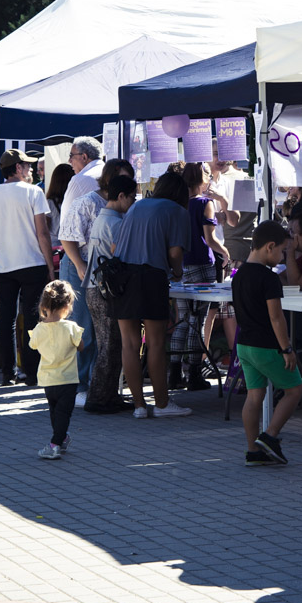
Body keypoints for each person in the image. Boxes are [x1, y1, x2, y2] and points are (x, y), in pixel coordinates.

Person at [112, 171, 192, 418]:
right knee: (156, 342)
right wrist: (177, 272)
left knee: (129, 343)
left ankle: (138, 405)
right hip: (151, 276)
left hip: (121, 276)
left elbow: (116, 245)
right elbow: (176, 253)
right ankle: (162, 404)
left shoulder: (137, 206)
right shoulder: (177, 211)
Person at [60, 154, 131, 407]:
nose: (125, 183)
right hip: (80, 264)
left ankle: (97, 384)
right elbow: (67, 236)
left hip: (107, 272)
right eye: (121, 178)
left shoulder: (126, 204)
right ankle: (79, 385)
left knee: (103, 331)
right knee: (82, 328)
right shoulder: (87, 201)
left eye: (128, 180)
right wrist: (80, 265)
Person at [234, 219, 302, 466]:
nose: (283, 257)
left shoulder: (239, 274)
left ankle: (253, 450)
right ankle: (270, 436)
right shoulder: (269, 278)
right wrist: (286, 348)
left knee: (255, 395)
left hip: (244, 345)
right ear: (270, 246)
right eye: (283, 251)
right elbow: (276, 318)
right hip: (266, 345)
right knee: (295, 389)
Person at [0, 149, 54, 386]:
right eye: (27, 165)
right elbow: (42, 233)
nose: (31, 169)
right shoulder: (34, 191)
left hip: (3, 266)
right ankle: (32, 373)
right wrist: (49, 265)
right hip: (32, 263)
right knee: (32, 318)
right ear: (17, 168)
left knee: (7, 319)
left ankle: (8, 373)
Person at [174, 161, 230, 391]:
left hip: (180, 265)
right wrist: (225, 253)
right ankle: (194, 372)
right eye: (207, 173)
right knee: (199, 319)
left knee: (183, 318)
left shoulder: (177, 204)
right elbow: (210, 239)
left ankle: (175, 370)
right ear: (202, 177)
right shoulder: (205, 204)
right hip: (201, 264)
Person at [83, 173, 136, 411]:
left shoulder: (102, 218)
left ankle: (107, 395)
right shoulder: (115, 222)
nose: (133, 202)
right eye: (132, 197)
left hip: (95, 288)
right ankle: (99, 398)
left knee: (109, 344)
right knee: (110, 345)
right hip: (105, 290)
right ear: (122, 196)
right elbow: (118, 253)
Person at [31, 279, 87, 460]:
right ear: (68, 304)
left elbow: (32, 345)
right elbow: (81, 347)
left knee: (54, 412)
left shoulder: (39, 329)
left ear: (43, 304)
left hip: (48, 379)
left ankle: (59, 439)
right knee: (64, 413)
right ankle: (56, 443)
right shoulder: (71, 327)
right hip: (68, 379)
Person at [45, 162, 75, 248]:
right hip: (72, 245)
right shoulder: (75, 201)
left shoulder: (49, 202)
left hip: (54, 246)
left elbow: (45, 228)